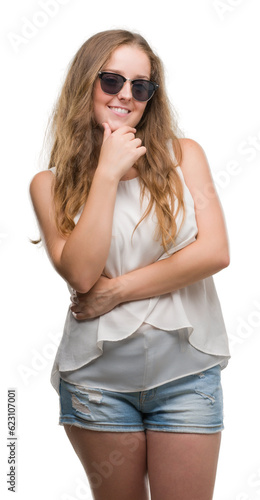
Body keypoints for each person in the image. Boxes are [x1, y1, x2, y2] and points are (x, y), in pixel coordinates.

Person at [30, 29, 230, 500]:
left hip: (187, 377)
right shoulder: (48, 185)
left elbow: (214, 252)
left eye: (141, 86)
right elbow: (81, 274)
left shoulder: (185, 156)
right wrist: (107, 171)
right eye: (112, 80)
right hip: (97, 387)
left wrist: (115, 291)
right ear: (86, 83)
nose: (126, 95)